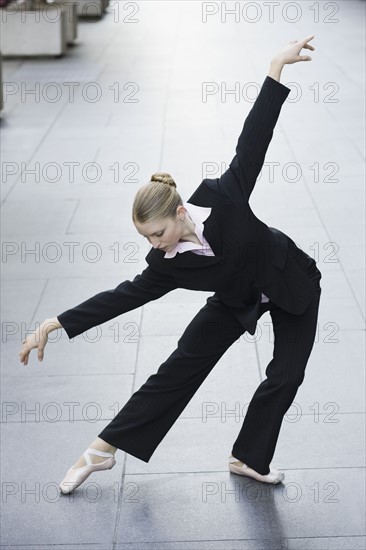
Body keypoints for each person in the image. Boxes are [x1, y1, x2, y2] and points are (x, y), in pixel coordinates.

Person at [19, 36, 320, 493]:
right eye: (146, 238)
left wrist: (276, 67)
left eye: (157, 233)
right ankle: (102, 449)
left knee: (285, 375)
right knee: (179, 367)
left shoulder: (227, 196)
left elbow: (254, 137)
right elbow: (123, 296)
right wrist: (57, 321)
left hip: (289, 278)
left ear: (180, 212)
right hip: (238, 298)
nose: (155, 245)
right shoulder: (167, 264)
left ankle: (248, 457)